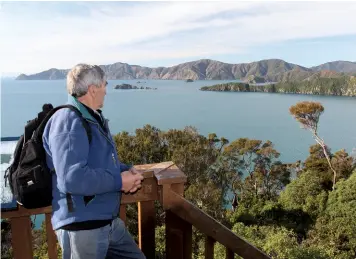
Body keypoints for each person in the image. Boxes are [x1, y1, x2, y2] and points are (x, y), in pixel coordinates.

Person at [42, 64, 145, 259]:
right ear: (93, 89)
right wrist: (119, 181)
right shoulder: (68, 121)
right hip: (82, 227)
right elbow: (72, 178)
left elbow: (99, 164)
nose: (107, 89)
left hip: (106, 222)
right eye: (105, 84)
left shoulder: (91, 118)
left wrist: (127, 170)